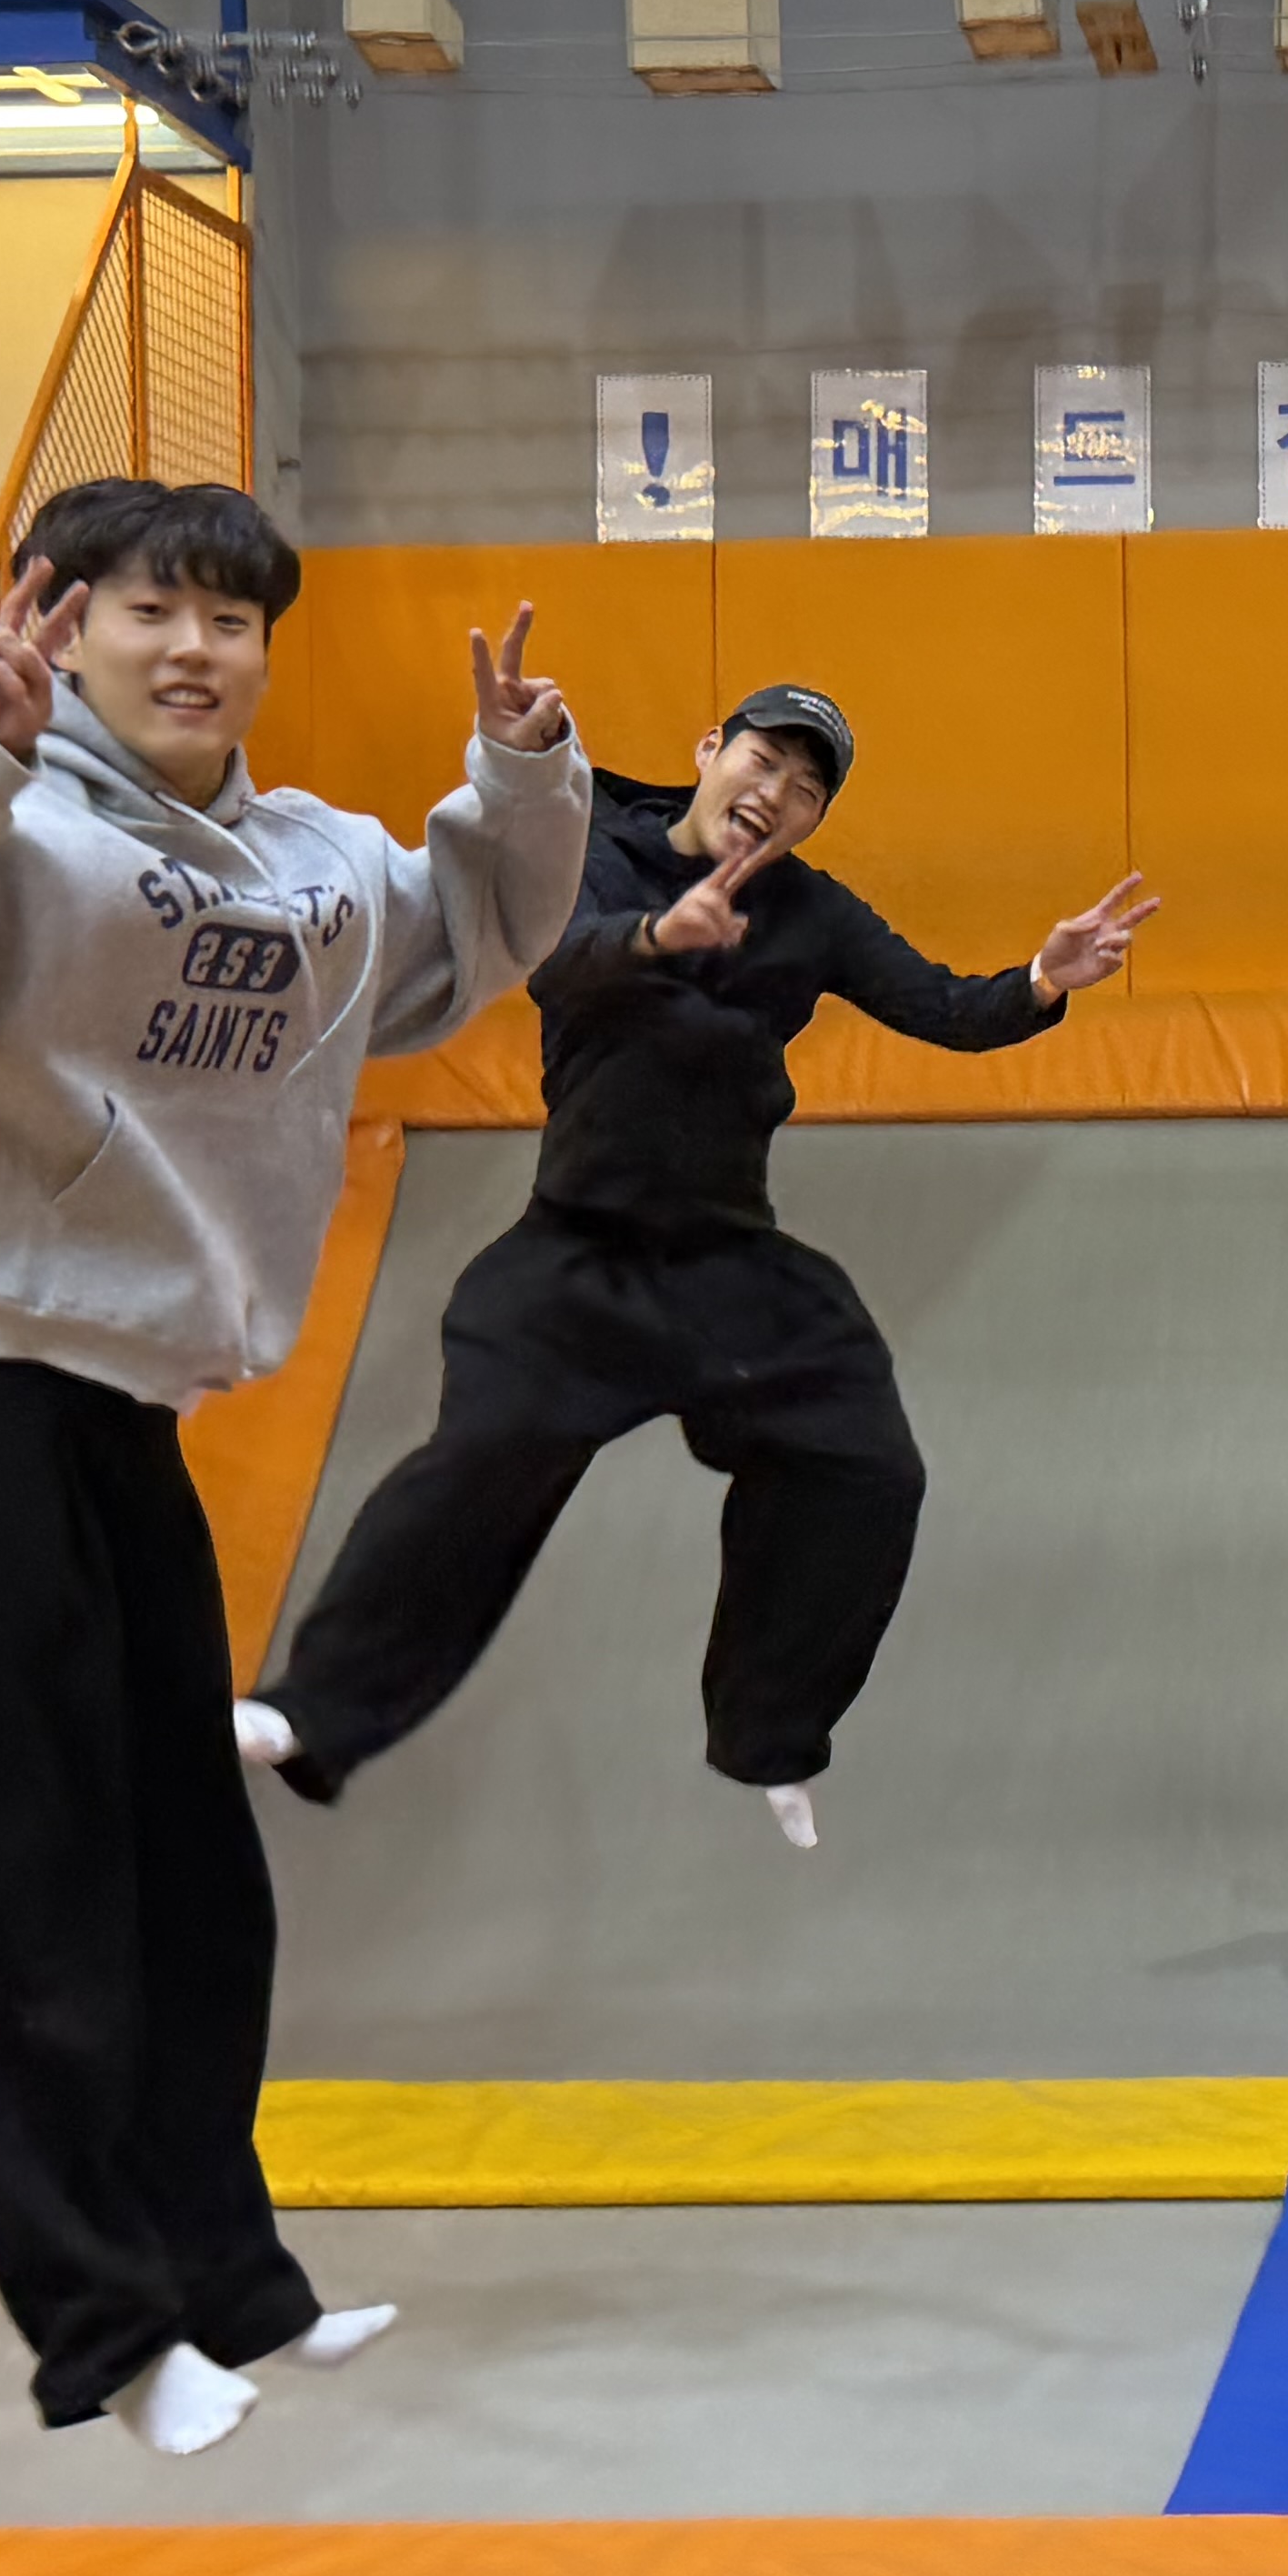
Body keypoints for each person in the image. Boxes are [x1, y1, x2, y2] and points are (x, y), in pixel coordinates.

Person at [0, 476, 594, 2457]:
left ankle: (228, 2279)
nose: (194, 649)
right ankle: (107, 2335)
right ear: (67, 628)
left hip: (127, 1420)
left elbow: (468, 938)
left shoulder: (312, 866)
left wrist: (521, 777)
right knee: (12, 1896)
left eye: (231, 619)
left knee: (198, 1892)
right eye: (147, 611)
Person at [242, 687, 1161, 1849]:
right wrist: (656, 938)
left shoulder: (810, 911)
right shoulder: (598, 855)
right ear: (708, 752)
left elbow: (941, 1006)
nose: (776, 795)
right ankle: (312, 1713)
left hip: (728, 1260)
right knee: (479, 1465)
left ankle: (768, 1735)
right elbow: (557, 964)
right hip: (577, 1256)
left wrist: (1042, 978)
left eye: (806, 791)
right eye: (762, 763)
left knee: (865, 1465)